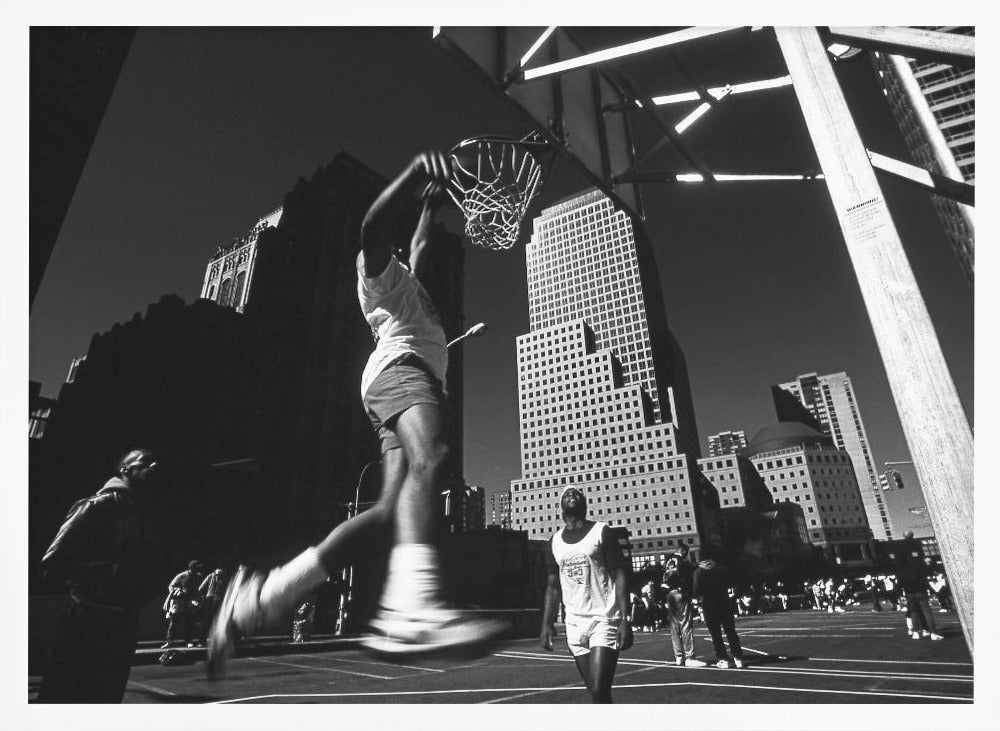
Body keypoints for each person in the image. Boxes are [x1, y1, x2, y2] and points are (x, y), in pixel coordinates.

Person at [208, 150, 504, 676]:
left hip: (405, 378)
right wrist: (413, 173)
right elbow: (371, 226)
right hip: (400, 371)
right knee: (431, 455)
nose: (401, 254)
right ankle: (412, 609)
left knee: (389, 513)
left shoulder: (409, 283)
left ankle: (263, 597)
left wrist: (429, 210)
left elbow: (417, 245)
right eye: (391, 252)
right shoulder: (379, 281)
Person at [37, 449, 167, 703]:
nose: (154, 466)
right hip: (88, 623)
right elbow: (52, 563)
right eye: (145, 462)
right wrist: (103, 582)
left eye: (156, 462)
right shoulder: (97, 506)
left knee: (106, 699)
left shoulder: (143, 517)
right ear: (125, 470)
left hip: (123, 624)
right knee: (64, 701)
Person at [540, 488, 632, 703]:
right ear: (560, 507)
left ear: (585, 504)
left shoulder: (601, 531)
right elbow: (553, 586)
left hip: (604, 618)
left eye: (577, 493)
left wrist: (625, 620)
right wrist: (546, 623)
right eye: (566, 494)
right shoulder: (554, 542)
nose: (572, 493)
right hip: (574, 622)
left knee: (599, 688)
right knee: (595, 690)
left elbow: (619, 575)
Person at [692, 547, 745, 669]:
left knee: (715, 633)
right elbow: (731, 584)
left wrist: (698, 600)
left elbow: (696, 590)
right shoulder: (721, 568)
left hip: (709, 604)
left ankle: (723, 658)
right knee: (731, 631)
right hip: (724, 601)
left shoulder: (698, 572)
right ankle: (738, 657)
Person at [662, 546, 706, 667]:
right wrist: (691, 593)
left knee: (674, 625)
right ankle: (689, 657)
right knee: (686, 624)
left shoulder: (668, 561)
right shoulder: (682, 561)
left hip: (669, 594)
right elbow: (687, 578)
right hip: (681, 593)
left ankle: (678, 656)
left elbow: (664, 579)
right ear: (684, 551)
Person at [896, 531, 943, 640]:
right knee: (926, 611)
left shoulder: (902, 567)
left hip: (909, 591)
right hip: (920, 589)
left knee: (913, 612)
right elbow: (924, 571)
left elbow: (900, 578)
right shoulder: (918, 559)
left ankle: (916, 632)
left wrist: (901, 591)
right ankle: (932, 632)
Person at [163, 560, 205, 648]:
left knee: (189, 622)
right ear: (191, 568)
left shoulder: (198, 576)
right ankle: (169, 641)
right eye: (196, 568)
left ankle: (188, 641)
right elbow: (171, 586)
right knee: (174, 622)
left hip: (190, 601)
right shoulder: (182, 576)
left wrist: (198, 599)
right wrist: (176, 591)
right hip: (179, 601)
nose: (197, 570)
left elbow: (199, 589)